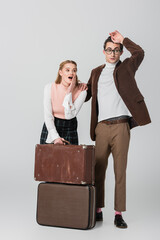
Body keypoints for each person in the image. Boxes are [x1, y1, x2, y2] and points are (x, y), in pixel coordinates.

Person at [85, 30, 151, 228]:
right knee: (98, 170)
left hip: (121, 126)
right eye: (109, 50)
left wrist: (123, 39)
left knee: (120, 171)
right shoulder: (95, 72)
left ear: (121, 53)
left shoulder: (127, 68)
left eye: (116, 50)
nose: (112, 53)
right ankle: (97, 210)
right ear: (103, 52)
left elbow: (139, 52)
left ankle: (118, 214)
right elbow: (86, 94)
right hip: (101, 128)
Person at [40, 60, 87, 145]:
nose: (71, 73)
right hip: (51, 125)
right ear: (60, 72)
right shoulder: (49, 88)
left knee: (71, 158)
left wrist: (69, 92)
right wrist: (55, 137)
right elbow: (48, 115)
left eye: (74, 70)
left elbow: (70, 115)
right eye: (67, 70)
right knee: (47, 157)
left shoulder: (82, 91)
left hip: (70, 126)